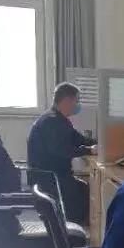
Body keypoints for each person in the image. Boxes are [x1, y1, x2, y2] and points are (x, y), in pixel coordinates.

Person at [27, 82, 96, 224]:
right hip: (50, 178)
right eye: (76, 100)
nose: (78, 105)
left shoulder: (60, 120)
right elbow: (60, 150)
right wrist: (88, 150)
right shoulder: (51, 121)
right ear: (66, 101)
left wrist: (100, 144)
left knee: (86, 190)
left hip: (55, 175)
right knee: (86, 194)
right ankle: (74, 228)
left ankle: (77, 226)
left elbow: (78, 139)